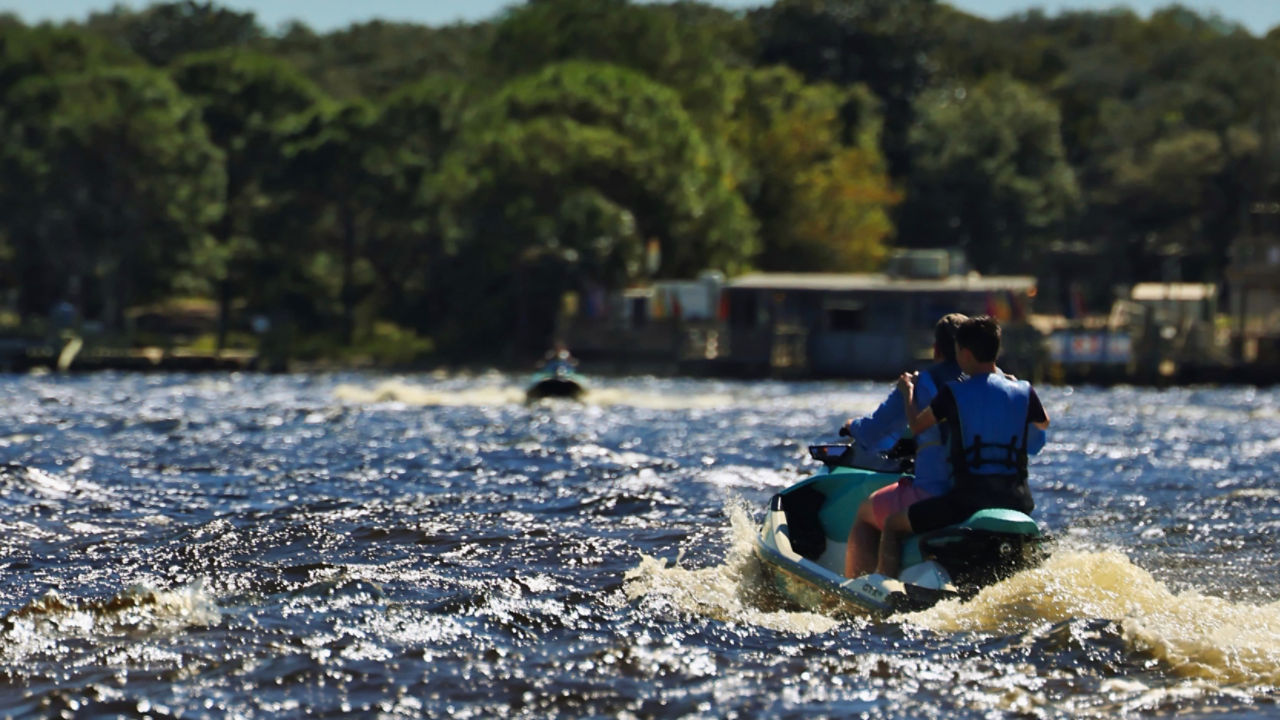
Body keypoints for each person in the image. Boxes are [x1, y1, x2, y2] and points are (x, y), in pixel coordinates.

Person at [876, 315, 1050, 578]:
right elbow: (1043, 423)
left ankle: (882, 588)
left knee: (892, 525)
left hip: (968, 502)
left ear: (966, 354)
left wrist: (907, 392)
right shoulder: (1023, 389)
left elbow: (917, 425)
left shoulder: (953, 393)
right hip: (1019, 502)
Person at [842, 313, 968, 578]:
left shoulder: (919, 385)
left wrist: (852, 425)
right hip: (979, 491)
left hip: (936, 493)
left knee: (865, 513)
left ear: (936, 349)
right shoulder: (988, 383)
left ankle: (857, 596)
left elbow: (875, 433)